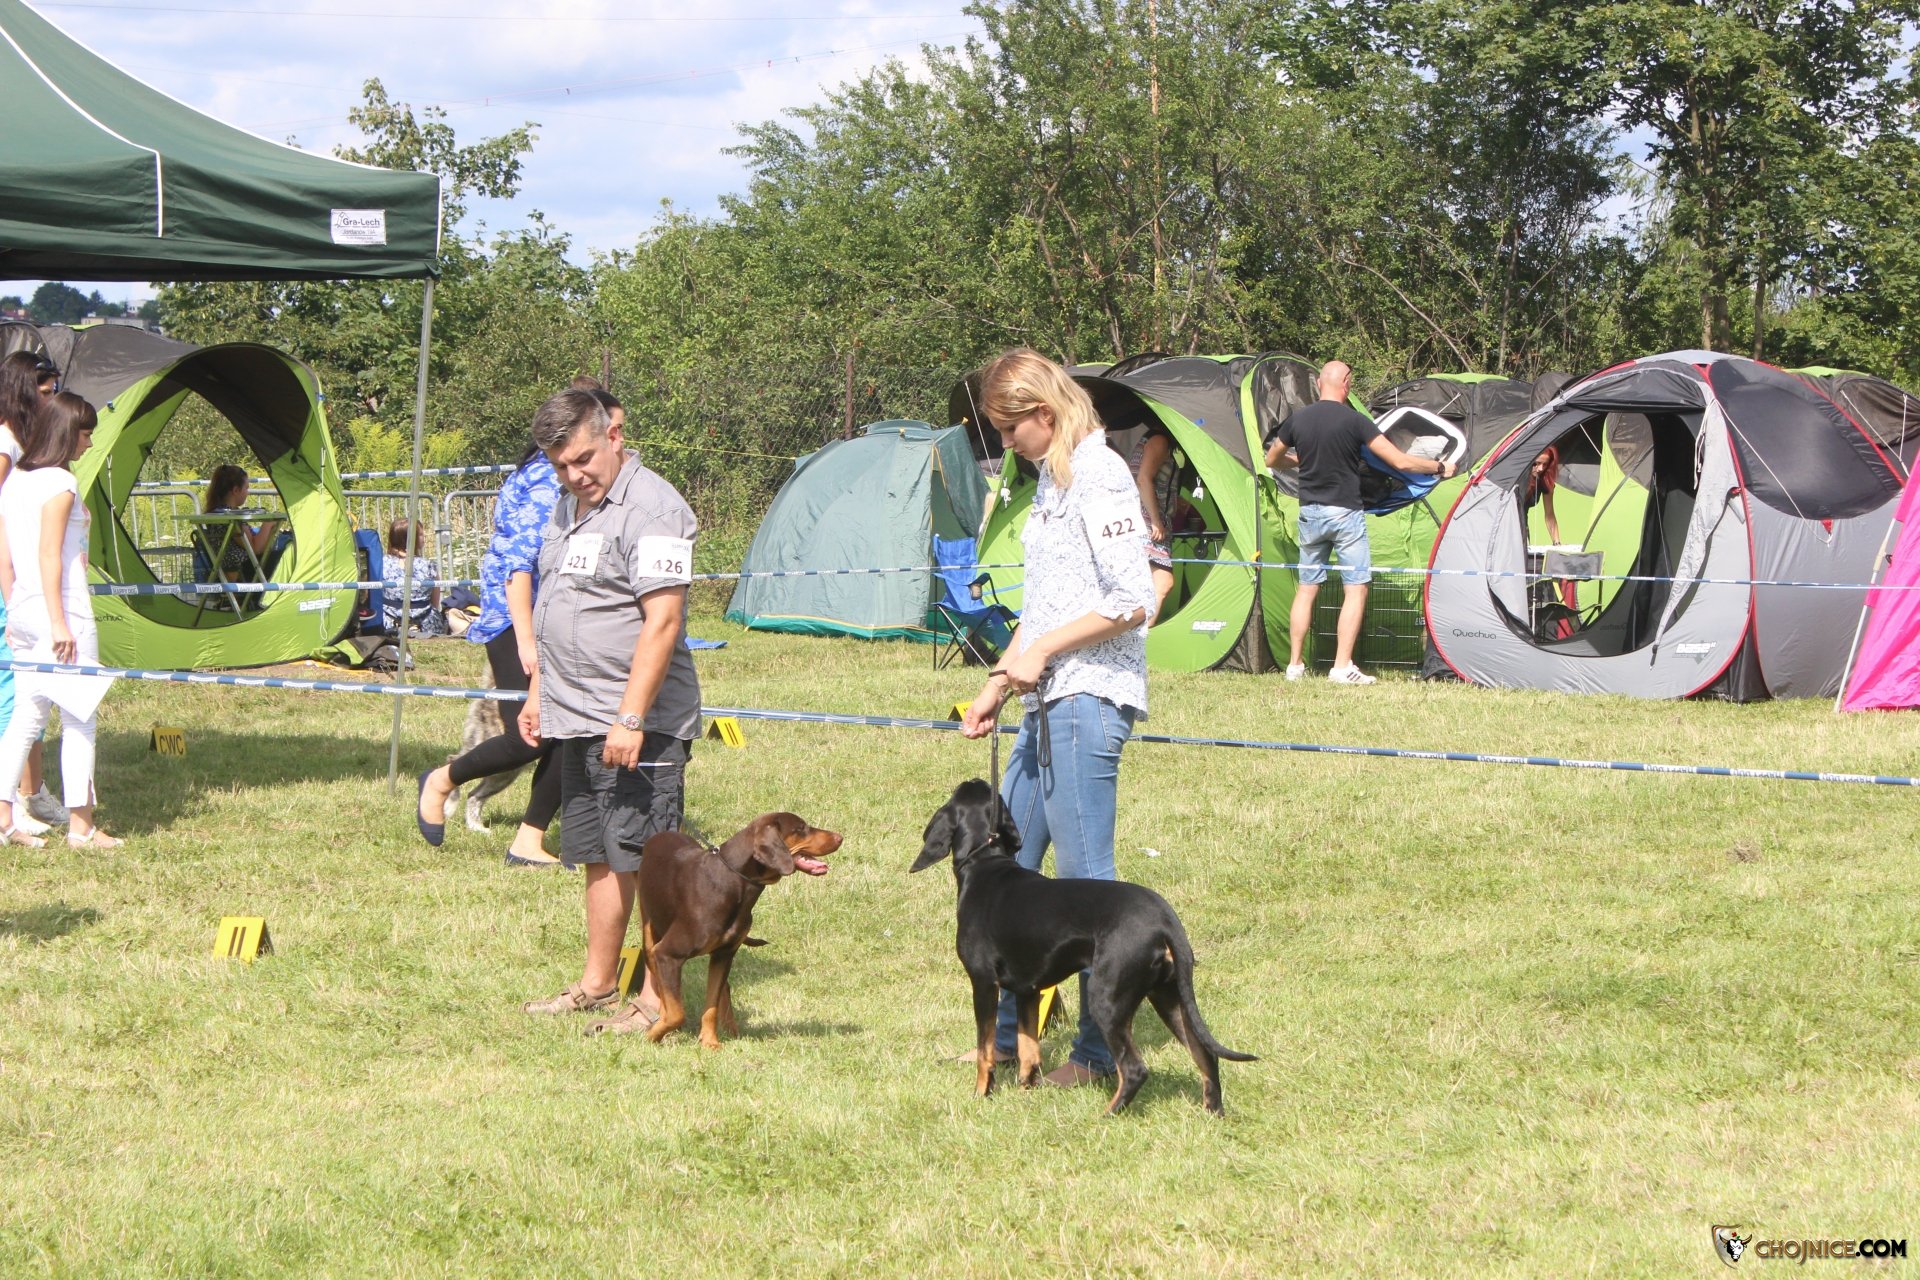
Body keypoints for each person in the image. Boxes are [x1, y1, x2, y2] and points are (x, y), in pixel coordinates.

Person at [958, 348, 1156, 1088]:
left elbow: (1133, 599)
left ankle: (1100, 1055)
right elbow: (1045, 606)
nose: (1006, 444)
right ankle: (1013, 1042)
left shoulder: (1101, 475)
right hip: (1044, 701)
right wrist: (999, 680)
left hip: (1087, 698)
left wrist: (1041, 652)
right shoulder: (1051, 479)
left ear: (1044, 412)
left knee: (1084, 883)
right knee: (1007, 870)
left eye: (1011, 430)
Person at [515, 389, 701, 1030]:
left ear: (614, 436)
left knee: (649, 861)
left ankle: (656, 998)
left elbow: (663, 621)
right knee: (597, 851)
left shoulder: (655, 509)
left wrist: (630, 718)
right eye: (560, 466)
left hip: (637, 724)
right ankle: (597, 985)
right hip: (577, 717)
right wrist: (540, 693)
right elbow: (557, 602)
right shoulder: (569, 506)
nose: (574, 476)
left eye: (583, 459)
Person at [415, 436, 567, 867]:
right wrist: (527, 642)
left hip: (554, 619)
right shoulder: (545, 479)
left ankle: (530, 841)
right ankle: (442, 779)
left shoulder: (562, 475)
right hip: (518, 620)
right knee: (528, 738)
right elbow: (519, 565)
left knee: (571, 735)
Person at [1264, 360, 1456, 684]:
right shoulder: (1355, 421)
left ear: (1319, 384)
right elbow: (1399, 461)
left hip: (1309, 512)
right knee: (1355, 589)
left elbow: (1272, 458)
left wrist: (1300, 459)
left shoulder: (1298, 419)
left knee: (1307, 589)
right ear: (1347, 383)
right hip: (1345, 514)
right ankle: (1341, 667)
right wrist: (1439, 467)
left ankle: (1294, 666)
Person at [0, 392, 121, 848]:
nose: (89, 443)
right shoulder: (60, 482)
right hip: (64, 612)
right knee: (79, 720)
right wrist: (57, 622)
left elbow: (5, 558)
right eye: (85, 434)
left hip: (24, 609)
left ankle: (4, 819)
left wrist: (14, 610)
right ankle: (81, 827)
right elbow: (49, 554)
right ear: (66, 433)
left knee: (26, 718)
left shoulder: (15, 481)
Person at [0, 353, 64, 835]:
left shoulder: (25, 445)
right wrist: (11, 590)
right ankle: (13, 803)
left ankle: (31, 791)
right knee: (14, 695)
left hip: (22, 583)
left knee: (31, 692)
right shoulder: (5, 445)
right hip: (10, 586)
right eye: (45, 392)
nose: (51, 400)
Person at [1127, 422, 1191, 623]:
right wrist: (1156, 520)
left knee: (1145, 585)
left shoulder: (1152, 440)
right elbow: (1143, 479)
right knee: (1163, 582)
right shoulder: (1160, 441)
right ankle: (1139, 636)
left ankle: (1135, 634)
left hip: (1142, 519)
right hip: (1146, 522)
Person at [197, 464, 282, 583]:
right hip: (244, 571)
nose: (248, 492)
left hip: (232, 570)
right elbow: (255, 548)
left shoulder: (215, 513)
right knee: (286, 555)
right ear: (236, 490)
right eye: (246, 488)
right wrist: (268, 524)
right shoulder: (231, 517)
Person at [381, 517, 447, 637]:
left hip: (388, 625)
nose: (424, 537)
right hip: (426, 626)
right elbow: (435, 601)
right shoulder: (428, 565)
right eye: (421, 534)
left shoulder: (381, 563)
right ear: (408, 538)